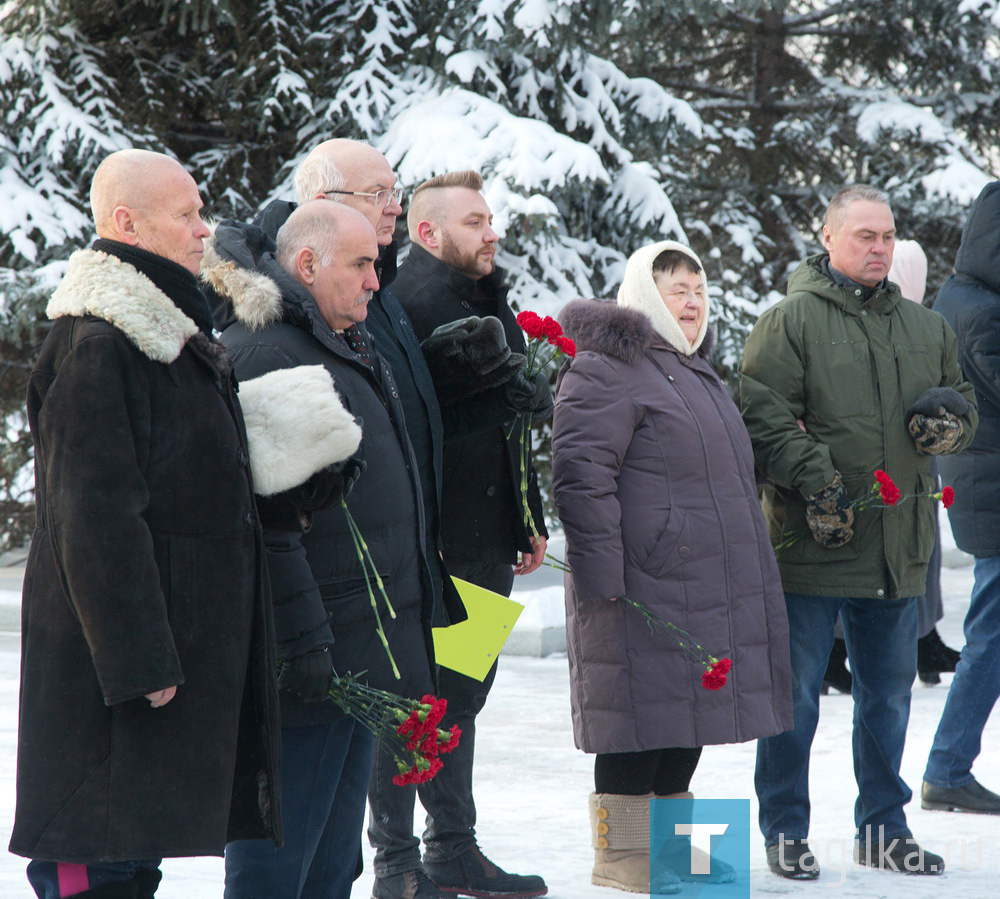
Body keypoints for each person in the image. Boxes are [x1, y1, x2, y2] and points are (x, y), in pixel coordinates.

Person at [8, 149, 282, 898]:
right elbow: (92, 517)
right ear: (126, 224)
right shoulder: (100, 342)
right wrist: (140, 658)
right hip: (108, 678)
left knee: (132, 854)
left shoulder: (163, 332)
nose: (206, 229)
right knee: (94, 859)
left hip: (153, 671)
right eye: (187, 214)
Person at [740, 184, 978, 879]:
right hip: (814, 542)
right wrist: (819, 479)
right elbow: (762, 413)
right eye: (864, 235)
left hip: (897, 544)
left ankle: (883, 824)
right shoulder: (789, 322)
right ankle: (785, 827)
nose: (879, 247)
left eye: (888, 236)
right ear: (828, 237)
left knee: (888, 696)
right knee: (794, 698)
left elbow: (958, 401)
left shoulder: (926, 327)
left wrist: (953, 421)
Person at [550, 242, 793, 894]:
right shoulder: (605, 369)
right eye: (676, 288)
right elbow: (580, 476)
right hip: (639, 586)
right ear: (643, 296)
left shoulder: (697, 373)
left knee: (688, 722)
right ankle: (622, 867)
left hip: (704, 585)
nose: (692, 300)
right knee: (635, 730)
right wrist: (602, 575)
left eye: (698, 288)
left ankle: (677, 863)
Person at [213, 201, 438, 898]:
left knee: (332, 865)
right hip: (310, 659)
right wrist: (304, 643)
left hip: (352, 647)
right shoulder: (268, 350)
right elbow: (267, 526)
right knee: (281, 863)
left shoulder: (336, 338)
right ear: (307, 265)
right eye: (363, 264)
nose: (378, 280)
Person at [370, 170, 550, 899]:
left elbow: (506, 422)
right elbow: (407, 437)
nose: (492, 231)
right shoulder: (406, 305)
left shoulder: (486, 301)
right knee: (413, 705)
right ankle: (395, 860)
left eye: (491, 219)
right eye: (475, 221)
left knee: (460, 701)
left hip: (484, 545)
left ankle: (452, 848)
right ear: (427, 232)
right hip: (436, 549)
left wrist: (526, 513)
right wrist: (430, 534)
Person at [821, 238, 962, 692]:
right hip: (879, 469)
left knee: (914, 554)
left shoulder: (922, 327)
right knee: (872, 560)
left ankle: (921, 639)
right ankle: (844, 650)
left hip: (914, 464)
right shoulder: (859, 328)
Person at [921, 180, 1000, 816]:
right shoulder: (984, 311)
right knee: (991, 636)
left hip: (982, 488)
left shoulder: (964, 295)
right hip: (994, 493)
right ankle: (947, 767)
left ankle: (948, 765)